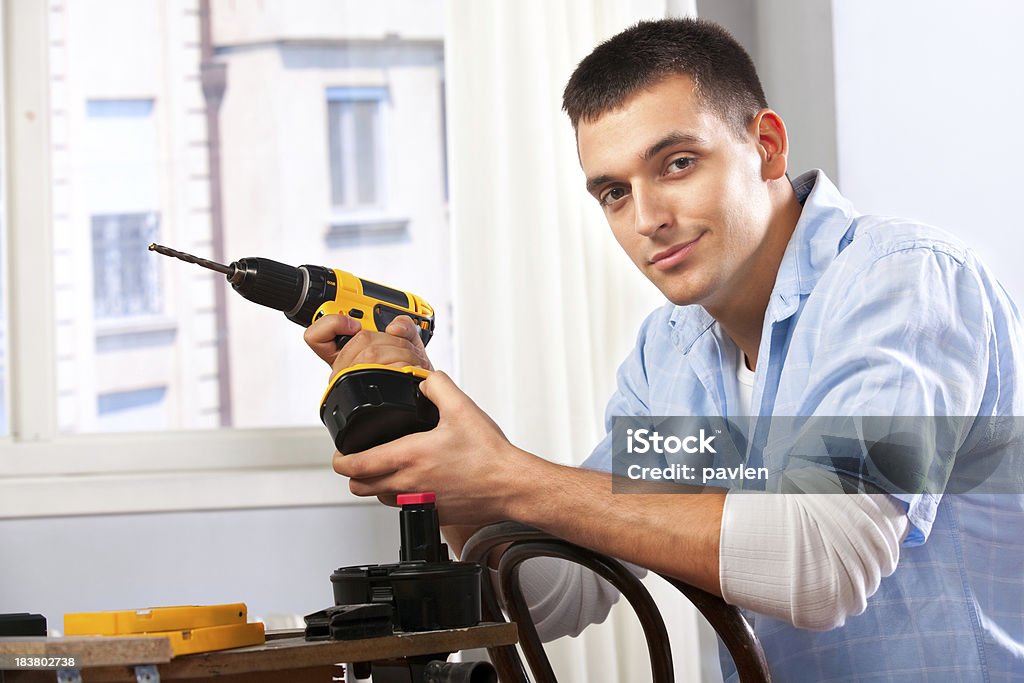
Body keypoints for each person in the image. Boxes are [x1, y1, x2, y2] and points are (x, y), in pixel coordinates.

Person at [304, 18, 1024, 682]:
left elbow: (825, 561)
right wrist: (432, 440)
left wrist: (509, 475)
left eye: (677, 163)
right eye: (614, 192)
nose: (647, 218)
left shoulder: (902, 283)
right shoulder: (673, 355)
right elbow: (560, 588)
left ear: (766, 146)